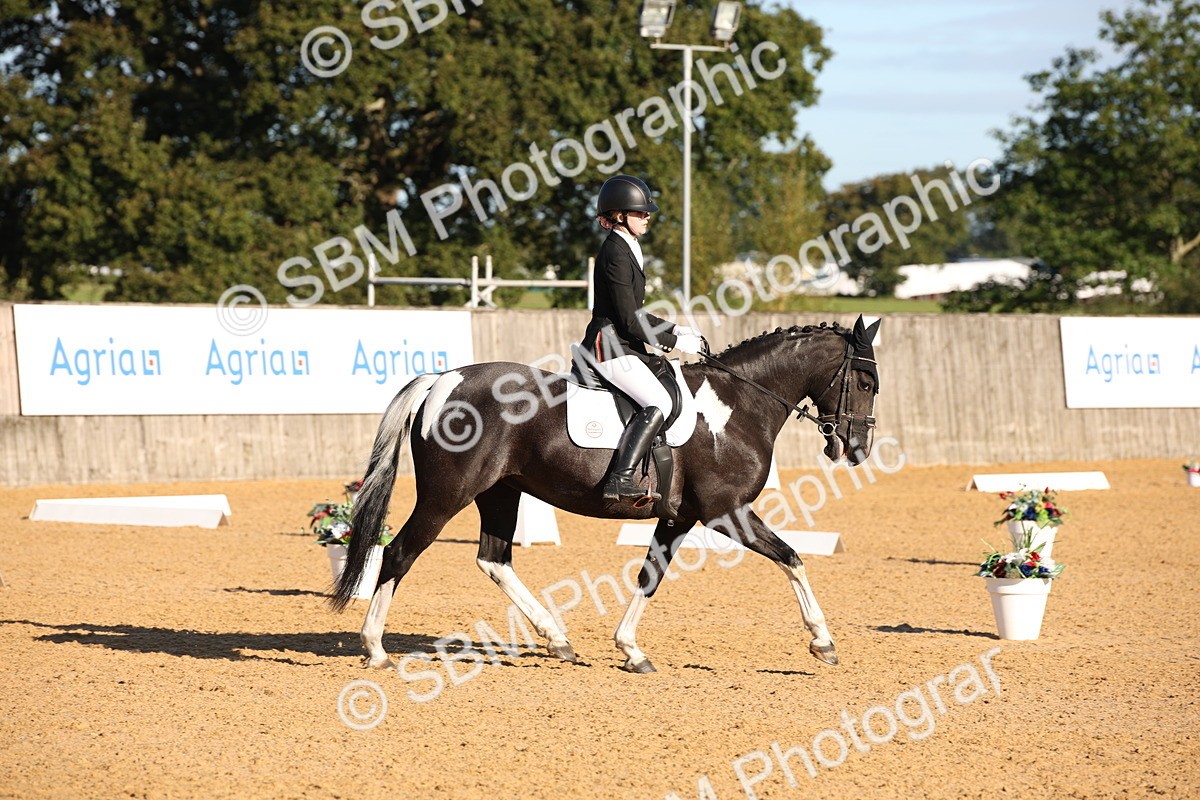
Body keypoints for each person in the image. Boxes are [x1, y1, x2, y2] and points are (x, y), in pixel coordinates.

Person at [579, 174, 704, 501]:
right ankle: (620, 479)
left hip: (625, 344)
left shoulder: (628, 246)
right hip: (608, 346)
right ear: (619, 215)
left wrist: (675, 329)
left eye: (647, 212)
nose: (647, 216)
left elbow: (633, 312)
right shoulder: (615, 252)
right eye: (640, 212)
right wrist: (674, 339)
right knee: (659, 401)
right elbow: (628, 317)